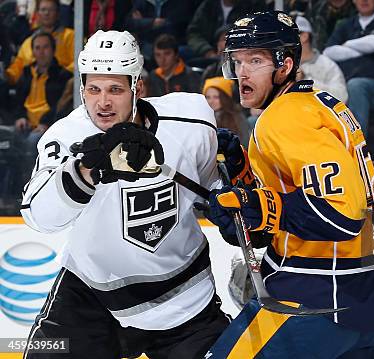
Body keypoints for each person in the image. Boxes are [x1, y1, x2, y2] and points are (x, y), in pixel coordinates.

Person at [203, 11, 374, 357]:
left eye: (255, 60)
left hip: (318, 300)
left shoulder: (283, 118)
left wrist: (260, 208)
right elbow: (301, 189)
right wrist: (244, 174)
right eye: (237, 61)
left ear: (284, 65)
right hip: (373, 299)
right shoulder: (322, 104)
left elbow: (341, 213)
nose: (242, 73)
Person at [20, 30, 229, 359]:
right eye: (94, 89)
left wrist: (229, 198)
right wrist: (87, 171)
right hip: (91, 297)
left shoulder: (191, 119)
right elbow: (38, 215)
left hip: (184, 298)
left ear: (138, 88)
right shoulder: (66, 137)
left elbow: (212, 188)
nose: (102, 102)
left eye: (115, 89)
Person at [323, 0, 374, 135]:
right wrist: (362, 48)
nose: (364, 1)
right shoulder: (346, 25)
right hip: (346, 86)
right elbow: (329, 52)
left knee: (356, 85)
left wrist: (346, 44)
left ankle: (356, 146)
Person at [12, 31, 71, 182]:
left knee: (33, 141)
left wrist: (46, 124)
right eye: (37, 48)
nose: (41, 52)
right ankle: (9, 191)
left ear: (53, 50)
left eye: (45, 47)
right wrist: (20, 117)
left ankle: (30, 183)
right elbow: (18, 101)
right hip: (25, 124)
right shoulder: (26, 73)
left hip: (47, 127)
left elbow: (61, 107)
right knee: (8, 138)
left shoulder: (62, 76)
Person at [5, 0, 74, 84]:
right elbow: (17, 67)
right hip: (32, 88)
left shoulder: (71, 36)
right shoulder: (29, 41)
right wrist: (7, 75)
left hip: (60, 85)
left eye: (51, 10)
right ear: (37, 14)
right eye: (43, 10)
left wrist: (64, 74)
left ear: (58, 13)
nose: (46, 13)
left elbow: (79, 62)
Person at [295, 15, 348, 103]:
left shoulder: (327, 65)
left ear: (304, 36)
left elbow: (342, 97)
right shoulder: (283, 65)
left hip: (317, 115)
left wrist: (306, 80)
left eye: (289, 35)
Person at [203, 76, 249, 145]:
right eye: (208, 97)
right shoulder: (202, 117)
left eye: (216, 97)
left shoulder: (237, 118)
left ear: (224, 98)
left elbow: (244, 143)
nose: (211, 101)